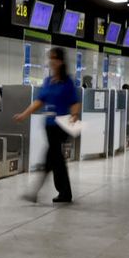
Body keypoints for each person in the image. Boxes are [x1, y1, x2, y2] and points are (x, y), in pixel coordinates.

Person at [14, 47, 82, 204]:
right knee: (56, 159)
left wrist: (74, 115)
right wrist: (24, 114)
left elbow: (74, 102)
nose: (51, 61)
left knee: (52, 157)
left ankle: (36, 191)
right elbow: (39, 101)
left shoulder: (67, 83)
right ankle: (64, 193)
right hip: (49, 125)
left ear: (61, 61)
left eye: (54, 58)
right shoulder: (47, 82)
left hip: (62, 125)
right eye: (50, 58)